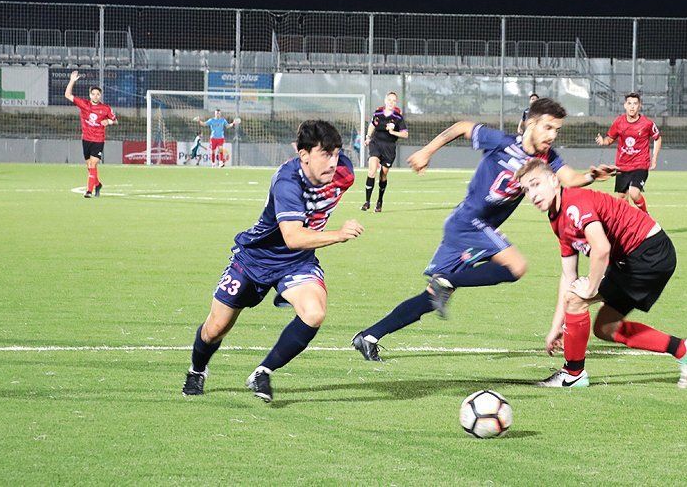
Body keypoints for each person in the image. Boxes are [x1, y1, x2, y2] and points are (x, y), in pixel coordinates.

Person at [351, 98, 616, 361]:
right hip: (469, 223)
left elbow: (569, 178)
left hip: (468, 228)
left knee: (432, 297)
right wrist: (427, 151)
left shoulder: (547, 157)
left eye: (557, 130)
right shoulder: (502, 142)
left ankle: (370, 336)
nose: (553, 135)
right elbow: (462, 127)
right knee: (516, 266)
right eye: (548, 127)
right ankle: (448, 281)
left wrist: (591, 176)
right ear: (532, 124)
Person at [182, 120, 363, 401]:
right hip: (255, 258)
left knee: (314, 313)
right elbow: (292, 236)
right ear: (303, 155)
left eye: (337, 153)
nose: (334, 161)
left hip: (297, 262)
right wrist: (338, 235)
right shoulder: (287, 181)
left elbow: (297, 245)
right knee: (215, 328)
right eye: (325, 154)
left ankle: (263, 372)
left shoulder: (344, 172)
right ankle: (197, 370)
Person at [514, 158, 687, 388]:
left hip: (648, 253)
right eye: (526, 189)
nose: (532, 194)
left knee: (577, 299)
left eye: (536, 184)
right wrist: (556, 327)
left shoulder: (573, 204)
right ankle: (685, 350)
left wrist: (591, 288)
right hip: (637, 257)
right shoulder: (556, 218)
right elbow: (568, 276)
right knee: (605, 327)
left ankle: (573, 374)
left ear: (554, 181)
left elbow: (601, 249)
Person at [595, 93, 661, 212]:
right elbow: (610, 139)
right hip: (622, 166)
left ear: (639, 106)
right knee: (621, 199)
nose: (632, 107)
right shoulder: (619, 122)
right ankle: (628, 224)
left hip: (640, 164)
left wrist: (654, 158)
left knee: (634, 193)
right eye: (629, 103)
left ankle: (645, 216)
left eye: (635, 104)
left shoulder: (647, 123)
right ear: (625, 105)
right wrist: (603, 141)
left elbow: (657, 138)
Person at [64, 70, 117, 198]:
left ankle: (89, 191)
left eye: (98, 94)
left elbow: (115, 121)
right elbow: (67, 95)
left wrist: (109, 121)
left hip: (98, 140)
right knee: (89, 166)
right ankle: (97, 184)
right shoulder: (84, 104)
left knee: (93, 164)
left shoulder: (106, 108)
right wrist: (72, 81)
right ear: (90, 95)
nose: (95, 96)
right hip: (86, 139)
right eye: (93, 94)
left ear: (100, 96)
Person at [362, 92, 408, 212]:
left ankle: (380, 201)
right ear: (385, 100)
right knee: (372, 170)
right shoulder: (378, 113)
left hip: (389, 148)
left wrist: (393, 132)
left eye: (393, 101)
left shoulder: (398, 117)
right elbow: (372, 125)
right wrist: (368, 137)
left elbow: (405, 134)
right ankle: (367, 202)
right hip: (376, 144)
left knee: (383, 174)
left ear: (395, 103)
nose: (391, 102)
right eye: (389, 100)